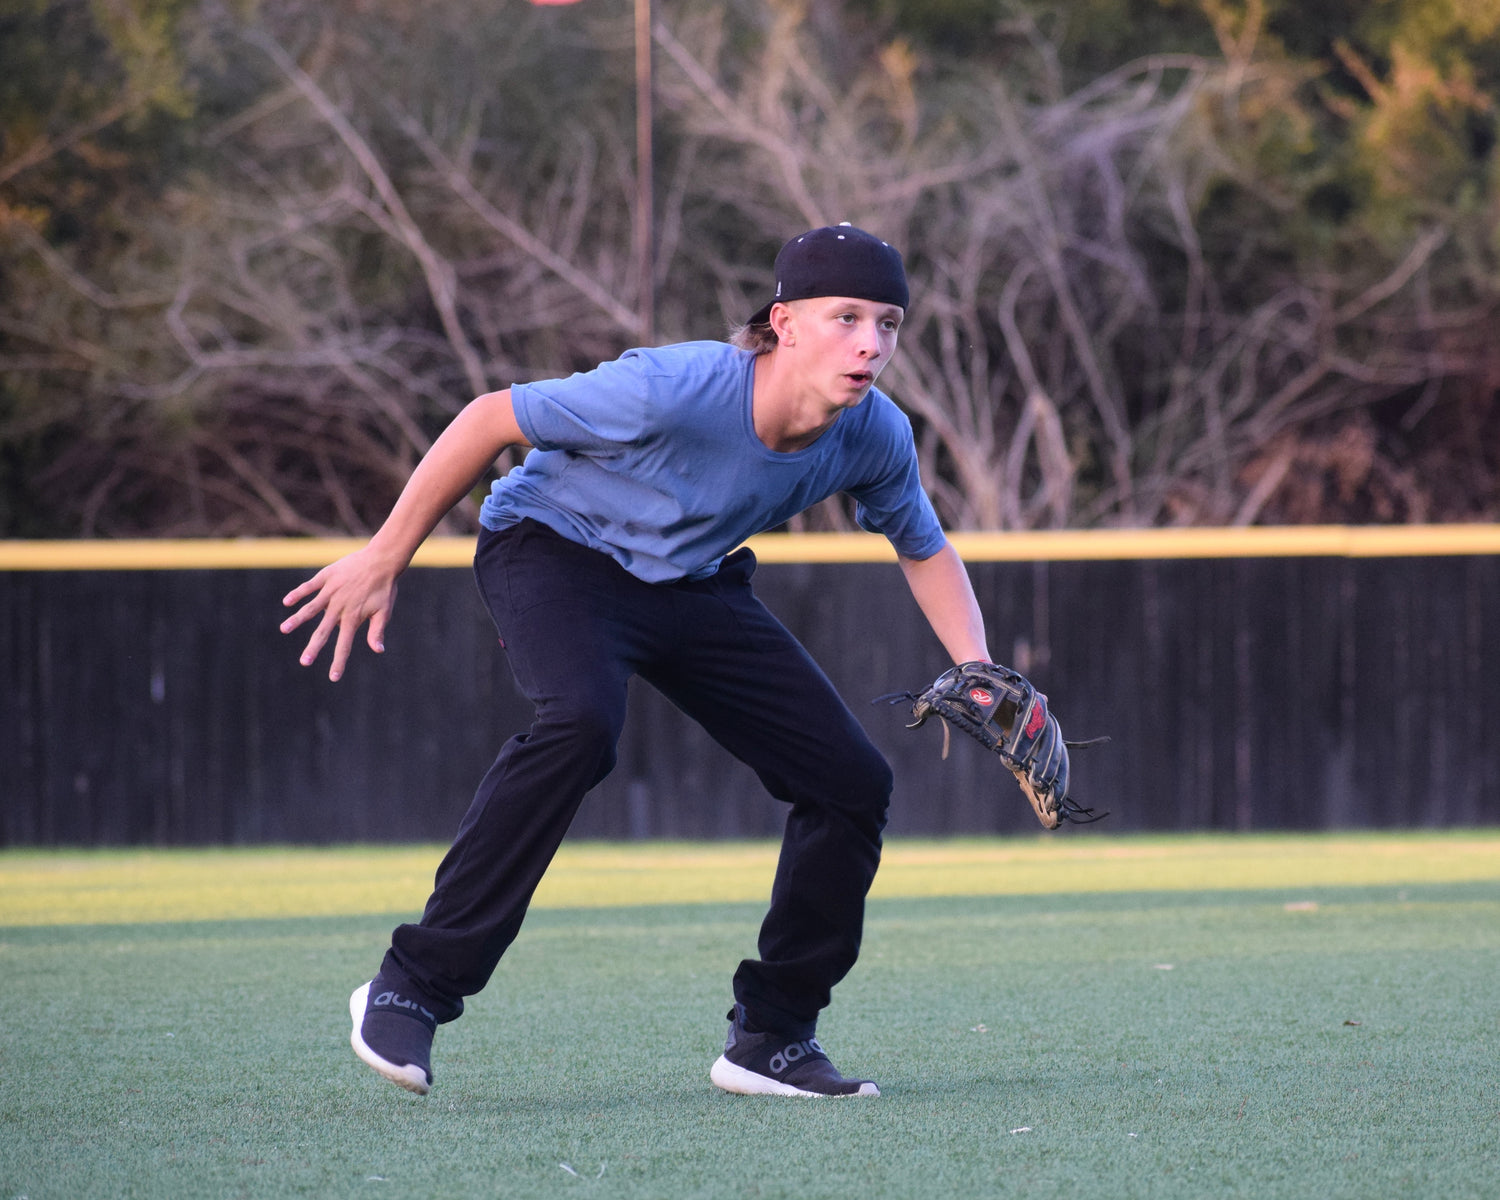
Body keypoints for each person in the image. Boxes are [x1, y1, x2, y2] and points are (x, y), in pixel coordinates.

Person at [280, 223, 992, 1099]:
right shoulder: (674, 389)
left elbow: (923, 547)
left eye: (888, 323)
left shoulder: (874, 434)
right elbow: (488, 418)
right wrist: (387, 554)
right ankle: (411, 986)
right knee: (580, 724)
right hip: (554, 549)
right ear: (785, 323)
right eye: (846, 317)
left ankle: (772, 1038)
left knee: (852, 780)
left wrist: (979, 666)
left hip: (693, 585)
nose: (872, 342)